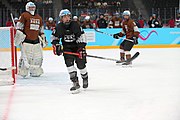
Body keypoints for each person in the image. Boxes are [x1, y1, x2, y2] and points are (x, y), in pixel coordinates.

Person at [51, 9, 88, 92]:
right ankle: (75, 82)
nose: (67, 18)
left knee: (81, 66)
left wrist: (81, 48)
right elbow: (54, 37)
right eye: (64, 17)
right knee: (69, 65)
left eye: (68, 16)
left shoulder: (75, 25)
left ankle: (85, 77)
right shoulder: (59, 27)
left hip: (77, 48)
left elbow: (82, 36)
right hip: (67, 49)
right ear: (61, 18)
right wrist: (56, 45)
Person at [15, 1, 47, 78]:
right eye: (30, 7)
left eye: (33, 7)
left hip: (36, 42)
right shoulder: (24, 15)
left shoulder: (39, 17)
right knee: (26, 57)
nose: (32, 9)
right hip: (26, 41)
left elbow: (41, 30)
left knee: (38, 57)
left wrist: (43, 38)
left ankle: (35, 71)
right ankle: (23, 71)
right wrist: (18, 37)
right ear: (27, 8)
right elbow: (20, 27)